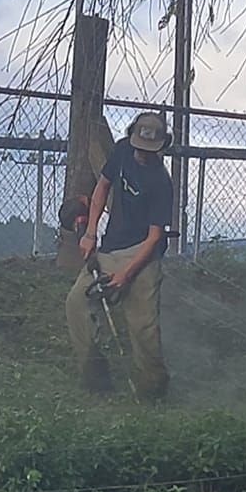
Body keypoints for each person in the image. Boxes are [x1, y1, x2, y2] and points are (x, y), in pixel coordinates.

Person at [65, 110, 172, 398]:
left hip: (143, 256)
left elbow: (154, 237)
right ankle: (96, 381)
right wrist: (90, 232)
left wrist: (127, 274)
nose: (142, 155)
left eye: (149, 150)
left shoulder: (161, 182)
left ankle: (153, 394)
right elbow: (102, 186)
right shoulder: (122, 152)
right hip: (110, 247)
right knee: (77, 302)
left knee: (143, 330)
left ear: (160, 147)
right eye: (139, 147)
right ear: (132, 140)